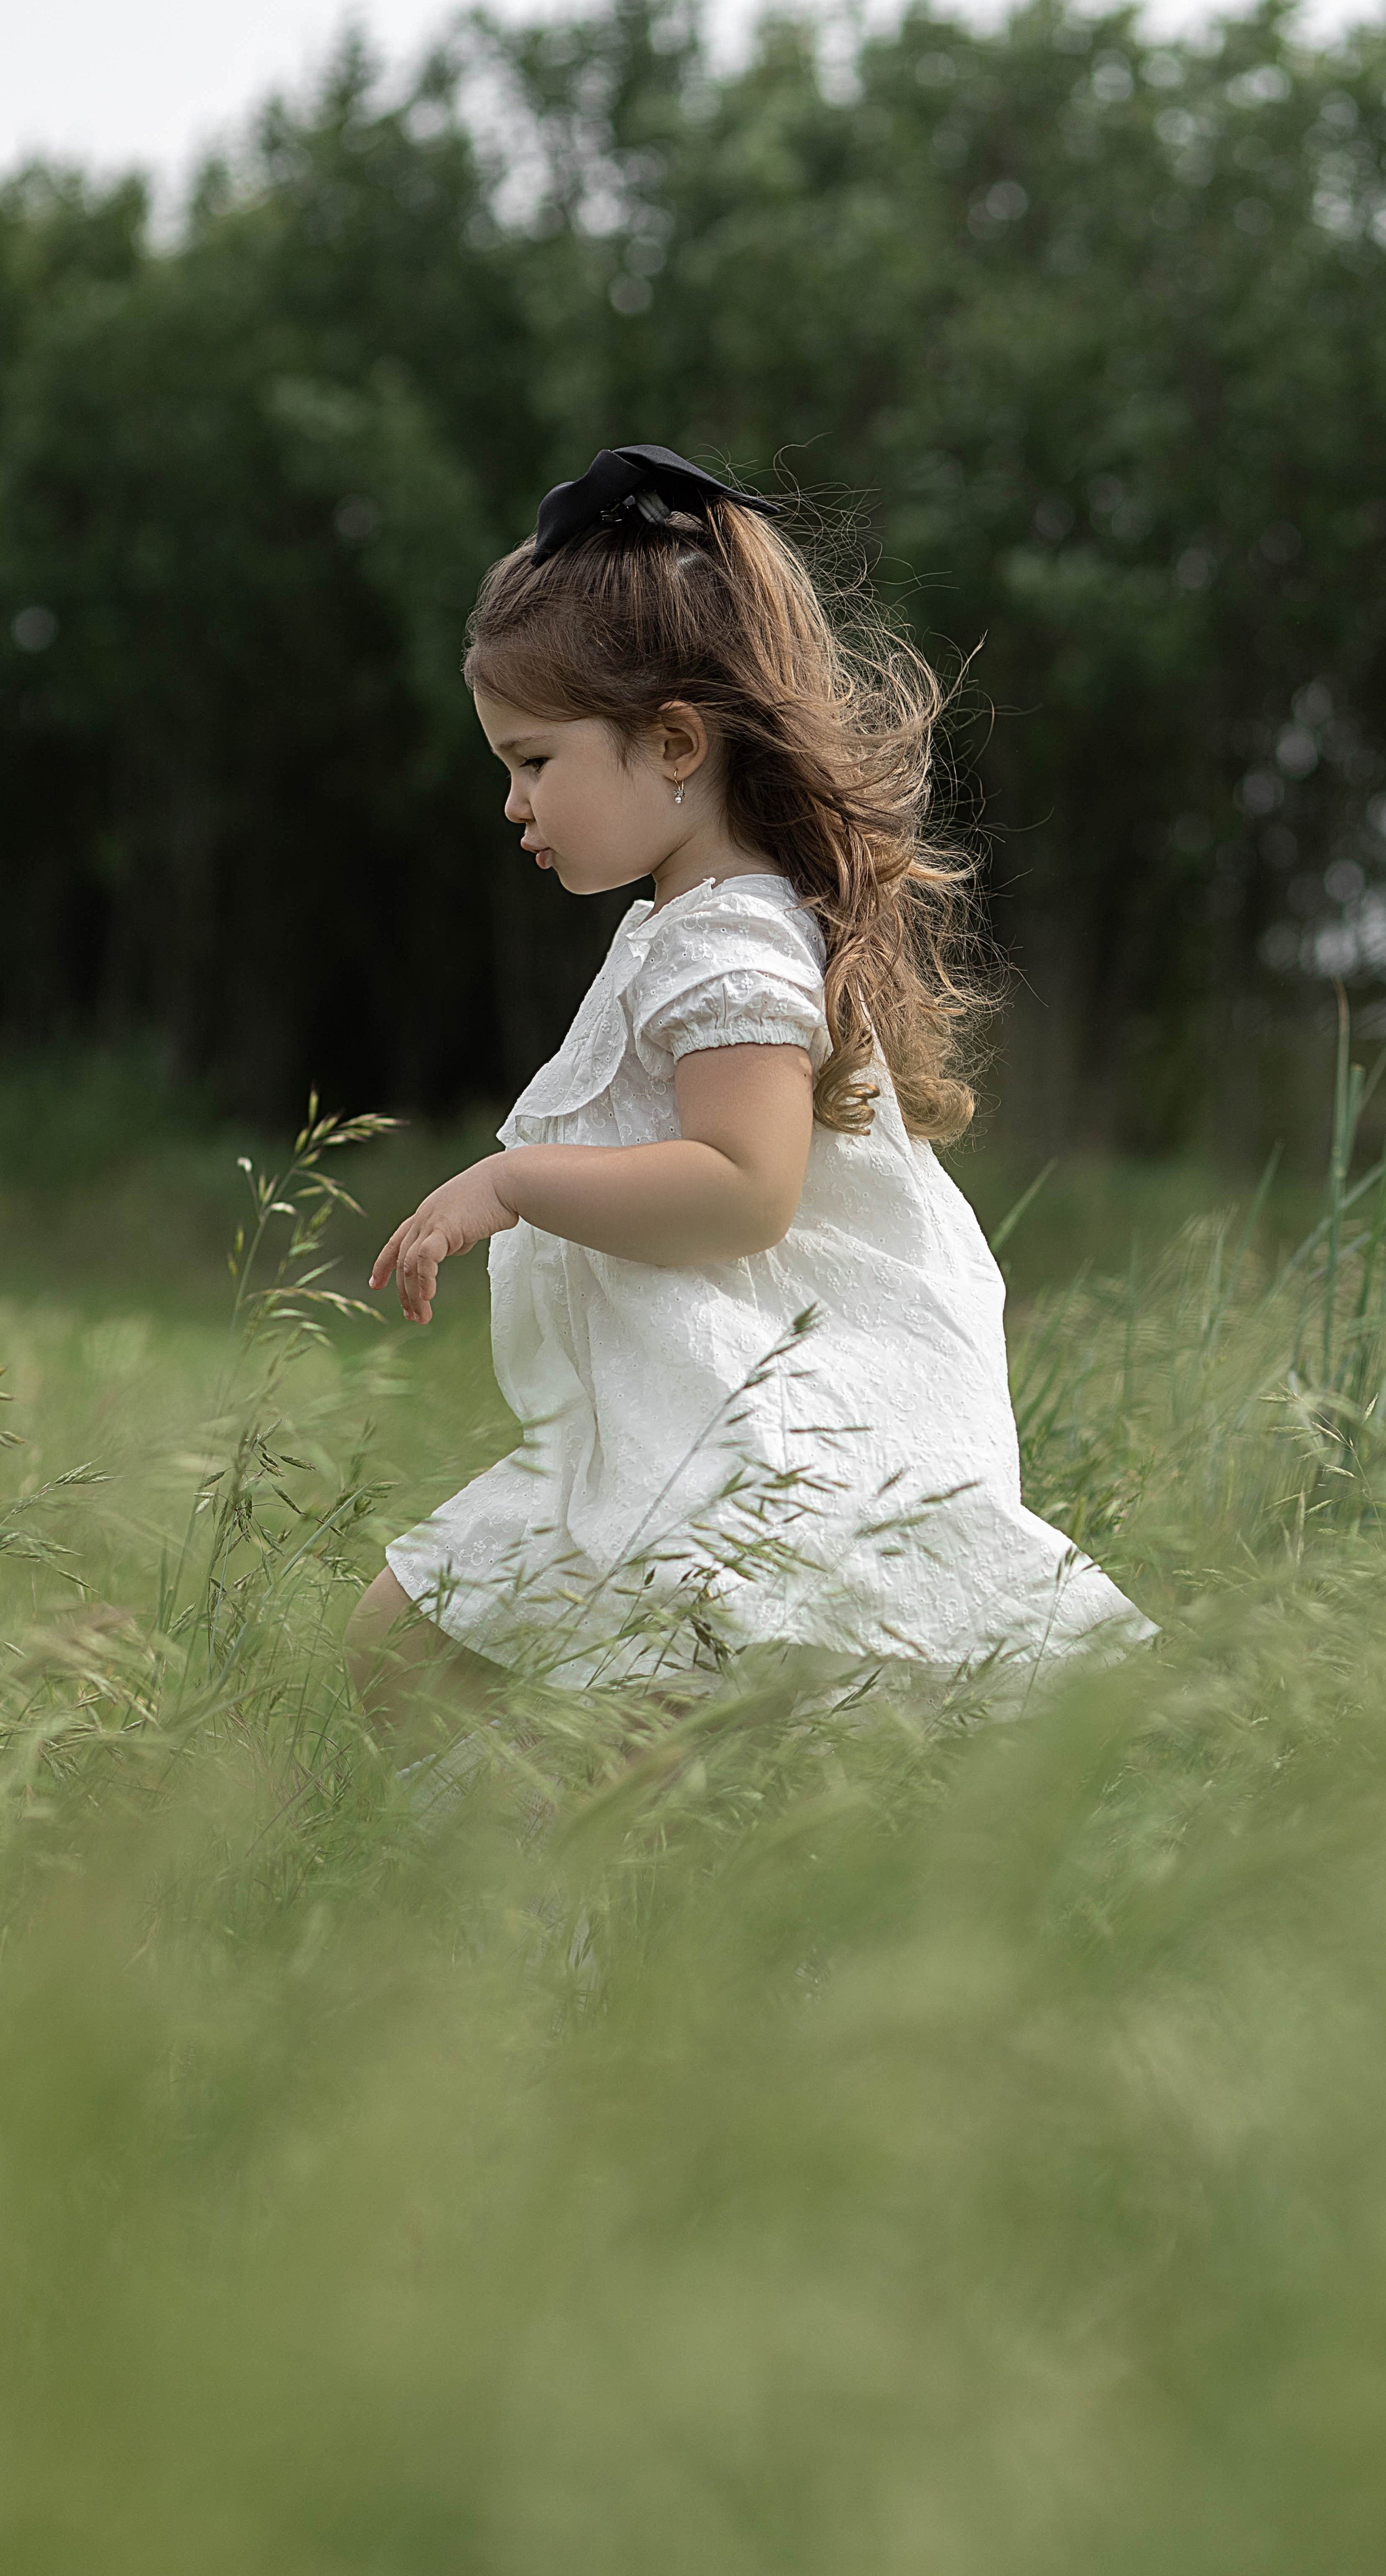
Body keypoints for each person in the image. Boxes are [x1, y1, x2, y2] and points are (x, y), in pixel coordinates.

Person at [344, 444, 1151, 1743]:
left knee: (483, 1672)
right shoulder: (696, 925)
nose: (511, 804)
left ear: (672, 742)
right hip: (669, 1427)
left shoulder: (730, 942)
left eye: (535, 762)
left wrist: (508, 1183)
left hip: (742, 1443)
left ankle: (597, 1919)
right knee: (420, 1649)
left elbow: (744, 1188)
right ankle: (567, 1915)